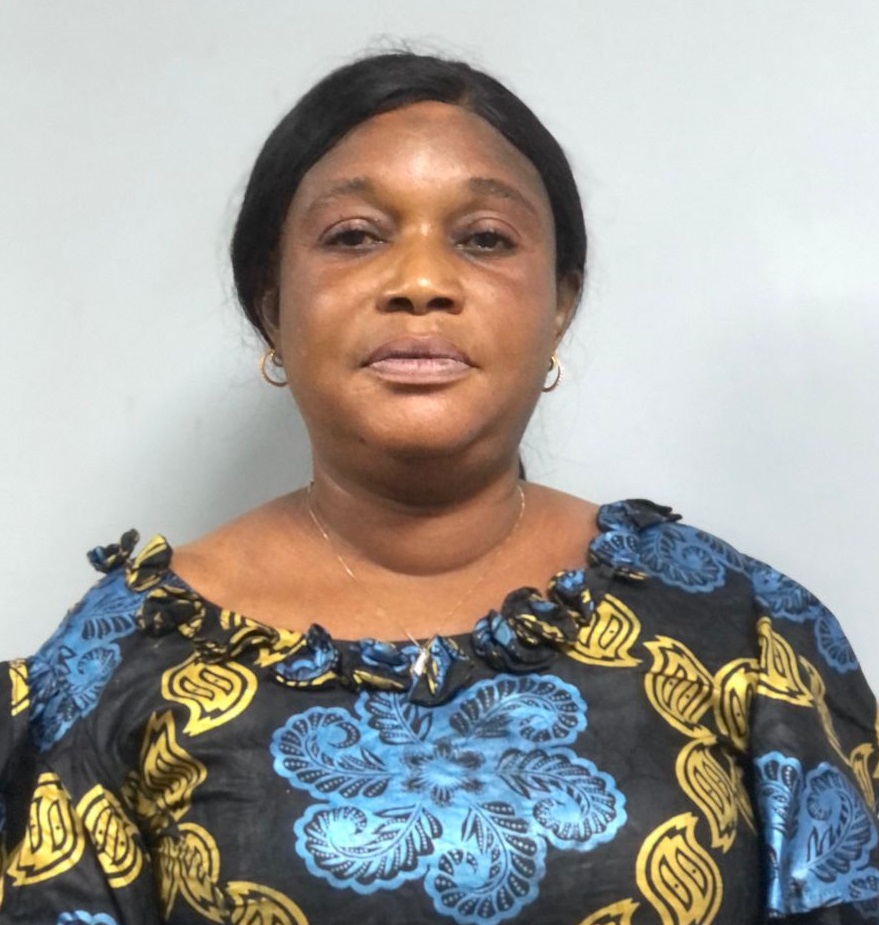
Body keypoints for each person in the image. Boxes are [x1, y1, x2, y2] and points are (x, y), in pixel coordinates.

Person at [1, 51, 877, 925]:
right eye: (354, 236)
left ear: (558, 305)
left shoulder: (741, 628)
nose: (420, 283)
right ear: (272, 305)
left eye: (484, 238)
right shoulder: (117, 661)